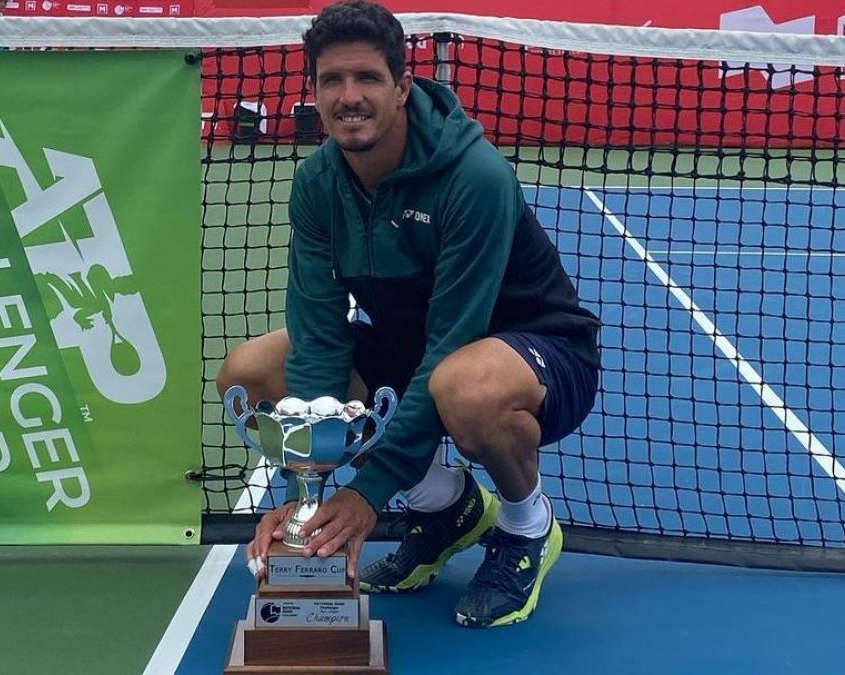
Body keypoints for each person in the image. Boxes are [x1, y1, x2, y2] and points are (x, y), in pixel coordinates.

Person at [216, 0, 601, 628]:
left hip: (534, 353)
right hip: (417, 348)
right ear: (313, 89)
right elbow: (317, 335)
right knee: (255, 369)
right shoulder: (318, 184)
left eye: (367, 77)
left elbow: (456, 335)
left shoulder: (473, 175)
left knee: (464, 387)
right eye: (332, 80)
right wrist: (303, 497)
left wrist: (366, 496)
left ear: (401, 86)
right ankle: (444, 507)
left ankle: (527, 525)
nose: (349, 96)